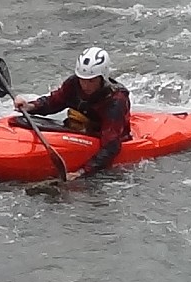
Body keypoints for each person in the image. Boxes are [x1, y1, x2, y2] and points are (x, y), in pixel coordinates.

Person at [13, 47, 131, 181]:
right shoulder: (74, 83)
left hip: (105, 136)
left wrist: (82, 172)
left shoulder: (116, 100)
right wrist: (30, 106)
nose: (85, 85)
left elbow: (111, 146)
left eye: (91, 81)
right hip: (80, 131)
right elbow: (54, 101)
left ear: (102, 78)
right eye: (82, 79)